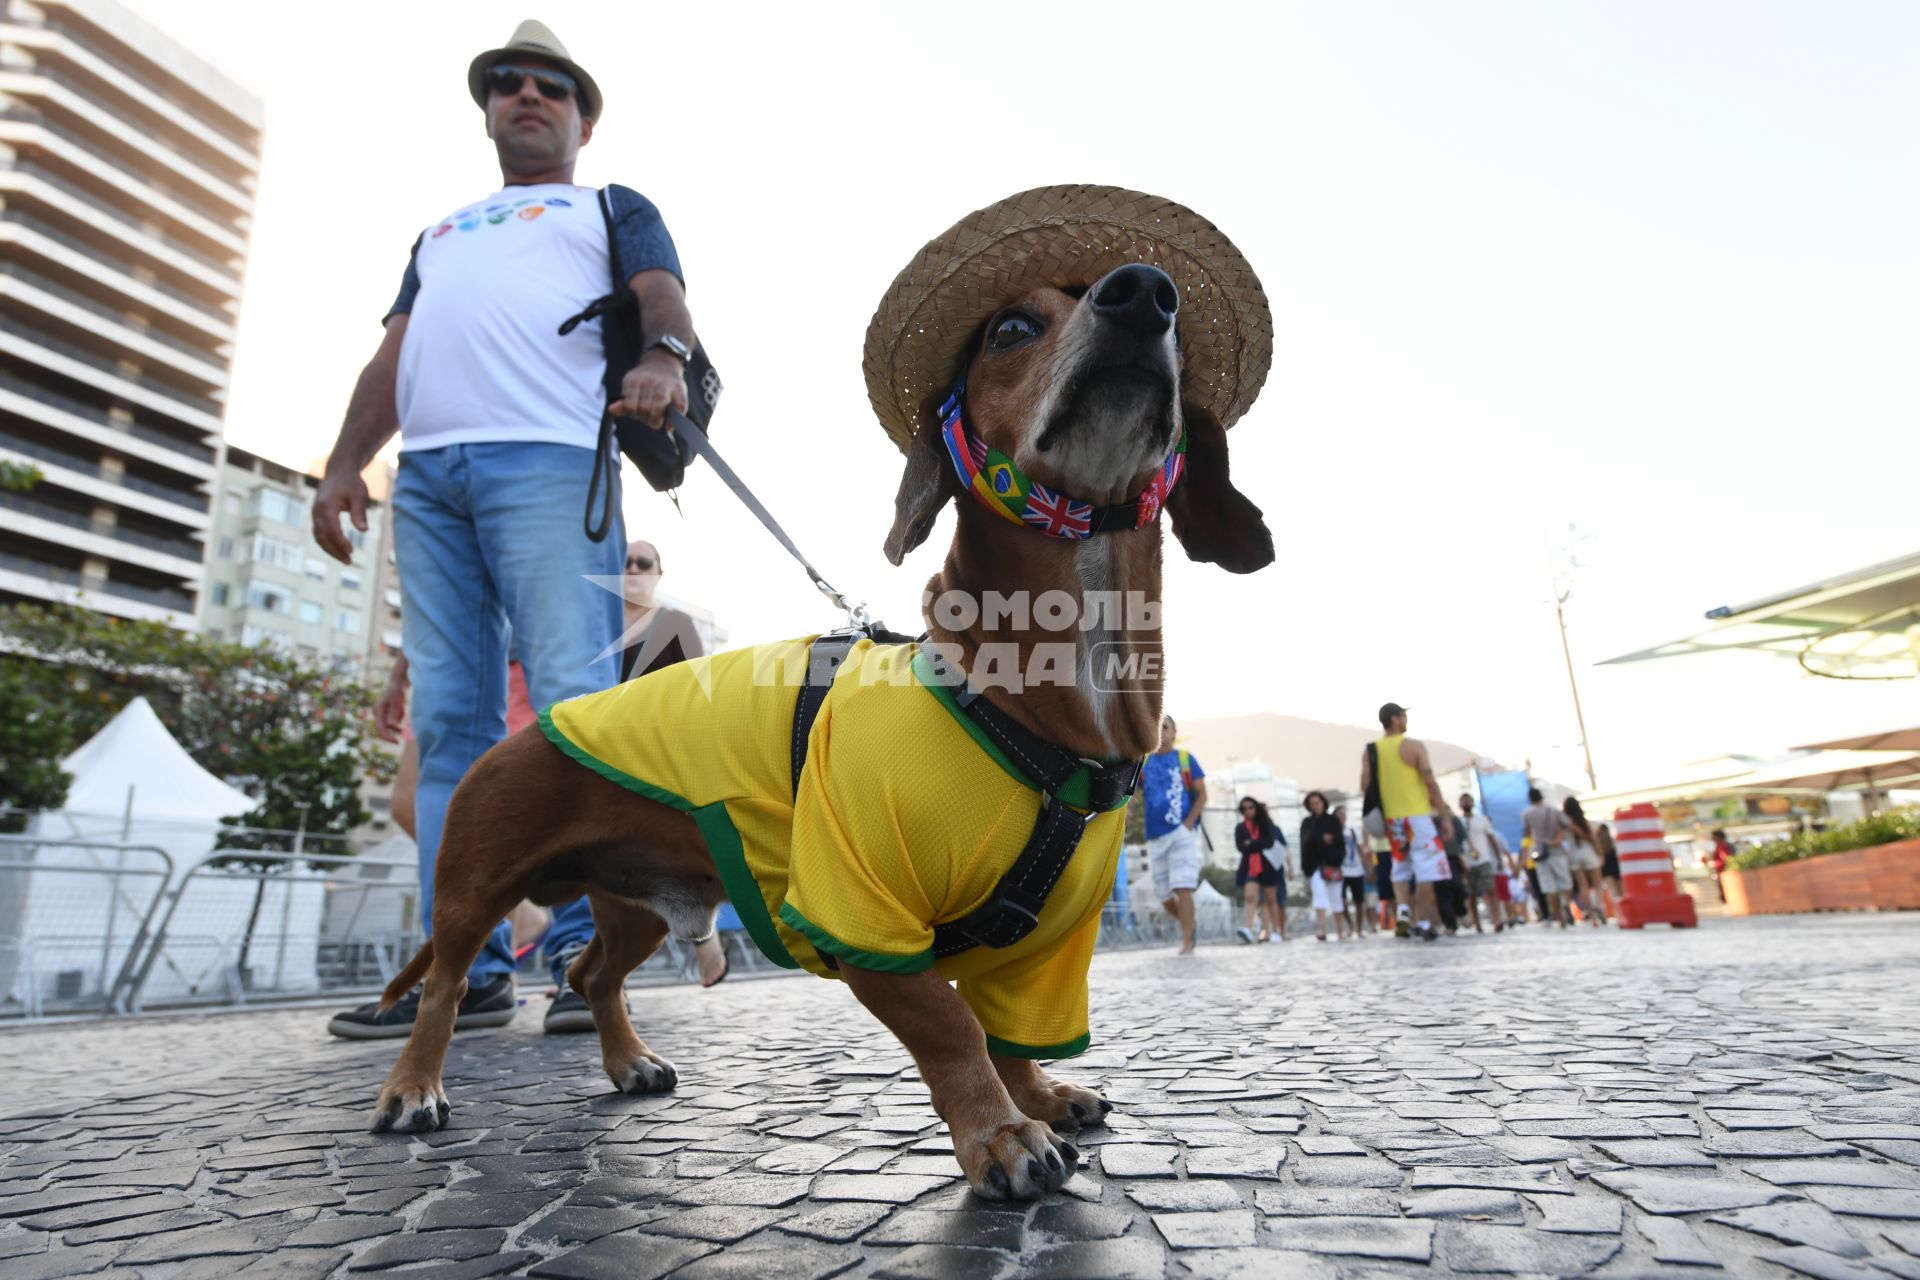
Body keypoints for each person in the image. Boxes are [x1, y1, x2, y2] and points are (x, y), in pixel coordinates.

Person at [314, 21, 697, 1039]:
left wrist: (660, 356)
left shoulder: (611, 207)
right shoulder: (439, 234)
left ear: (581, 116)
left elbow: (663, 296)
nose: (530, 96)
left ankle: (589, 952)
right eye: (510, 85)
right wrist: (346, 462)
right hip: (430, 477)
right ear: (488, 109)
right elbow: (395, 355)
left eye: (554, 88)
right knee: (449, 726)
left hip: (550, 458)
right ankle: (468, 964)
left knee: (578, 707)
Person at [618, 539, 727, 986]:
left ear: (658, 573)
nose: (633, 569)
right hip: (598, 751)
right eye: (625, 562)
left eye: (644, 563)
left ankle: (706, 943)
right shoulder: (593, 621)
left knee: (666, 854)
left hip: (658, 755)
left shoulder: (673, 622)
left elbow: (700, 690)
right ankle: (585, 968)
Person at [1358, 703, 1454, 941]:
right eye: (1404, 716)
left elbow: (1364, 785)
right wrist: (1444, 816)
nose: (1406, 721)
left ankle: (1403, 911)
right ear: (1396, 719)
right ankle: (1421, 921)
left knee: (1400, 866)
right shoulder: (1413, 747)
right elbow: (1430, 783)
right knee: (1427, 869)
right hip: (1418, 816)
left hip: (1392, 820)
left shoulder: (1371, 750)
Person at [1142, 714, 1207, 955]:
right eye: (1156, 727)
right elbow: (1132, 793)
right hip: (1155, 835)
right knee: (1164, 895)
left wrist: (1188, 825)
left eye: (1165, 727)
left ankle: (1187, 941)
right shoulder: (1144, 762)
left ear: (1173, 732)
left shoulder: (1185, 759)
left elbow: (1202, 794)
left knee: (1183, 887)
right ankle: (1190, 924)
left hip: (1182, 834)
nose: (1160, 732)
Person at [1233, 797, 1287, 943]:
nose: (1248, 811)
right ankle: (1247, 928)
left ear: (1256, 808)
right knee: (1250, 897)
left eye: (1251, 807)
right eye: (1244, 809)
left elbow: (1269, 842)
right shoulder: (1240, 828)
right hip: (1250, 868)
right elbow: (1241, 847)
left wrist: (1251, 843)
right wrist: (1255, 844)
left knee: (1271, 900)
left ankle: (1276, 930)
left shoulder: (1266, 824)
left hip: (1268, 867)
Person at [1299, 790, 1349, 941]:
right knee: (1319, 895)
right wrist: (1322, 839)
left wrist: (1335, 858)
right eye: (1312, 804)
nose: (1315, 806)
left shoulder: (1332, 821)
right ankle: (1323, 929)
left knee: (1336, 898)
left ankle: (1339, 929)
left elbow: (1339, 843)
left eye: (1317, 802)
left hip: (1333, 866)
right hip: (1315, 866)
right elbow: (1306, 841)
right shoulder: (1307, 823)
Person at [1522, 787, 1575, 927]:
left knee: (1549, 887)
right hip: (1557, 850)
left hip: (1540, 853)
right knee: (1565, 883)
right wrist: (1558, 838)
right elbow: (1567, 825)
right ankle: (1565, 904)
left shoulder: (1527, 813)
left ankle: (1560, 917)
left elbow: (1527, 834)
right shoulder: (1553, 810)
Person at [1458, 792, 1505, 932]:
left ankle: (1497, 919)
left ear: (1473, 802)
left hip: (1484, 859)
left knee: (1490, 889)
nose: (1466, 803)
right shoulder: (1458, 822)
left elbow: (1491, 839)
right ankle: (1477, 923)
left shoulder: (1482, 820)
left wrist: (1498, 858)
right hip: (1467, 862)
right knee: (1471, 893)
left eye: (1468, 800)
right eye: (1463, 800)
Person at [1562, 797, 1609, 927]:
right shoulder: (1583, 821)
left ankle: (1591, 915)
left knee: (1583, 886)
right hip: (1588, 852)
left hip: (1574, 854)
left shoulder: (1565, 823)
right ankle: (1599, 907)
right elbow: (1593, 839)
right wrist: (1600, 853)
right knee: (1597, 883)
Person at [1335, 805, 1372, 935]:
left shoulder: (1353, 831)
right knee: (1341, 900)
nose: (1341, 817)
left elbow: (1361, 850)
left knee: (1359, 901)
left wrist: (1368, 869)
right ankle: (1350, 924)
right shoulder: (1333, 833)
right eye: (1338, 814)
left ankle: (1359, 928)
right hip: (1341, 871)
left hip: (1356, 870)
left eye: (1343, 814)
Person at [1595, 821, 1622, 912]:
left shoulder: (1599, 842)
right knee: (1619, 890)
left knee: (1612, 890)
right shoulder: (1612, 840)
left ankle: (1616, 910)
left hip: (1606, 867)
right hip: (1615, 865)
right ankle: (1622, 908)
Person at [1707, 828, 1735, 901]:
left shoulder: (1721, 845)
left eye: (1713, 836)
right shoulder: (1726, 844)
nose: (1712, 838)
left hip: (1723, 870)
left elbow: (1725, 858)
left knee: (1725, 889)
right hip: (1724, 869)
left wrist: (1715, 864)